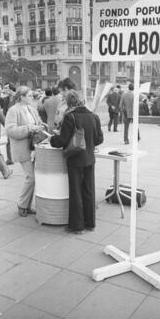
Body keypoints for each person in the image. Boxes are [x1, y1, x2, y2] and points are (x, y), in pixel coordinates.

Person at [50, 91, 103, 234]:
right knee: (89, 190)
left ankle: (77, 226)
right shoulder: (94, 116)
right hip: (90, 159)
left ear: (69, 102)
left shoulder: (70, 117)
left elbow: (62, 141)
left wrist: (52, 139)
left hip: (75, 159)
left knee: (76, 192)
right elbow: (99, 139)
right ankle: (90, 223)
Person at [5, 86, 45, 217]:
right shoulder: (13, 110)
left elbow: (38, 122)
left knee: (33, 178)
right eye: (29, 95)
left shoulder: (31, 108)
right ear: (21, 97)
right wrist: (29, 128)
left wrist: (42, 126)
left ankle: (26, 205)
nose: (31, 97)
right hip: (23, 148)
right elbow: (10, 130)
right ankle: (22, 205)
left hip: (34, 147)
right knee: (31, 178)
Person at [0, 82, 16, 165]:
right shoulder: (5, 99)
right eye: (4, 88)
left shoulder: (18, 97)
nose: (4, 90)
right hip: (9, 122)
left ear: (11, 88)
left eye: (6, 88)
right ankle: (10, 159)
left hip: (18, 122)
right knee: (9, 142)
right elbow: (4, 112)